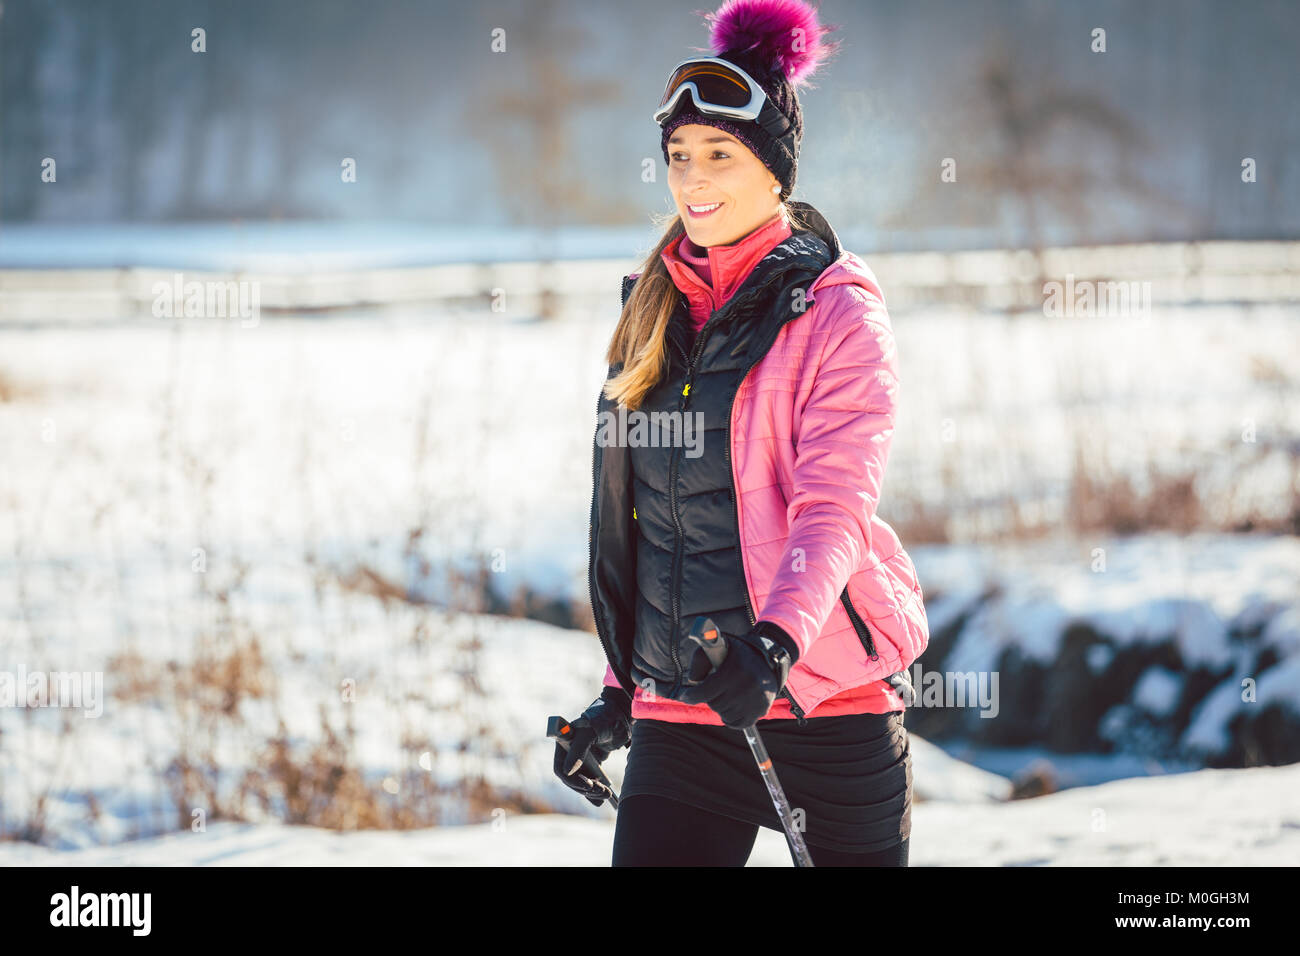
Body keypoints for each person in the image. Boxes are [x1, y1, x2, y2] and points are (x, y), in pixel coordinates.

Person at [554, 0, 930, 867]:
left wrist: (775, 645)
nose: (692, 178)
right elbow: (657, 528)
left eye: (719, 153)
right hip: (684, 713)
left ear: (773, 172)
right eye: (679, 156)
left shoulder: (836, 312)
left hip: (824, 699)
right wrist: (620, 689)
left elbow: (833, 509)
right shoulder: (652, 314)